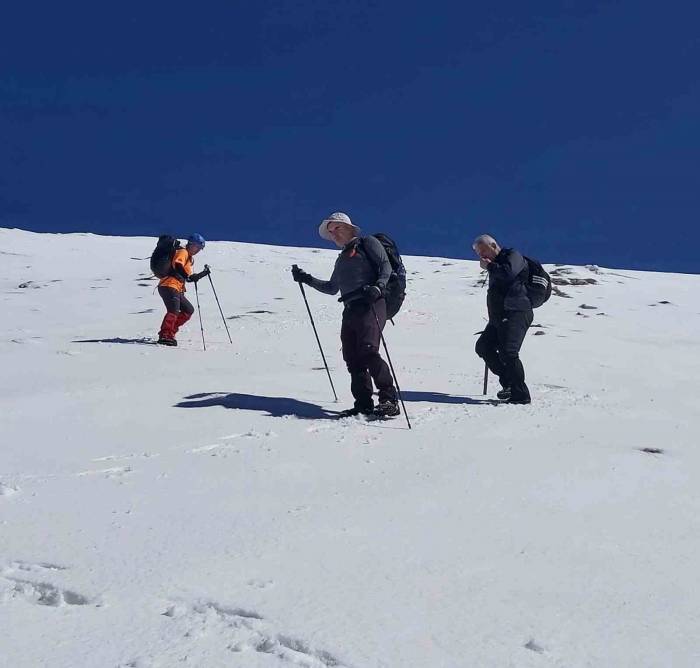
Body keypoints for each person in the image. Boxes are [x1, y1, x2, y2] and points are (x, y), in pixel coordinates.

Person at [292, 212, 400, 418]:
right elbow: (332, 288)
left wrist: (378, 287)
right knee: (352, 358)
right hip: (350, 308)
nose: (333, 234)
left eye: (337, 228)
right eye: (330, 232)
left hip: (371, 303)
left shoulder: (367, 243)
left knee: (368, 350)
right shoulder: (342, 258)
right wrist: (306, 279)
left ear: (350, 228)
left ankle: (389, 399)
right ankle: (363, 404)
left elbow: (385, 266)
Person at [473, 234, 533, 404]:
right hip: (499, 316)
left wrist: (490, 267)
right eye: (478, 253)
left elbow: (508, 273)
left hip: (517, 312)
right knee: (483, 347)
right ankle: (508, 384)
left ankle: (520, 395)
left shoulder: (512, 255)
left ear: (493, 245)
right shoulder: (496, 265)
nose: (481, 256)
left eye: (483, 250)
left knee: (509, 352)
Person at [156, 233, 210, 346]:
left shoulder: (189, 259)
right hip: (169, 285)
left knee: (188, 310)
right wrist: (188, 276)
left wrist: (202, 274)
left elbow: (189, 278)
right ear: (190, 244)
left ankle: (170, 332)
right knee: (173, 310)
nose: (197, 250)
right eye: (196, 246)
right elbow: (178, 265)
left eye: (199, 248)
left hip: (177, 288)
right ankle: (165, 335)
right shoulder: (183, 252)